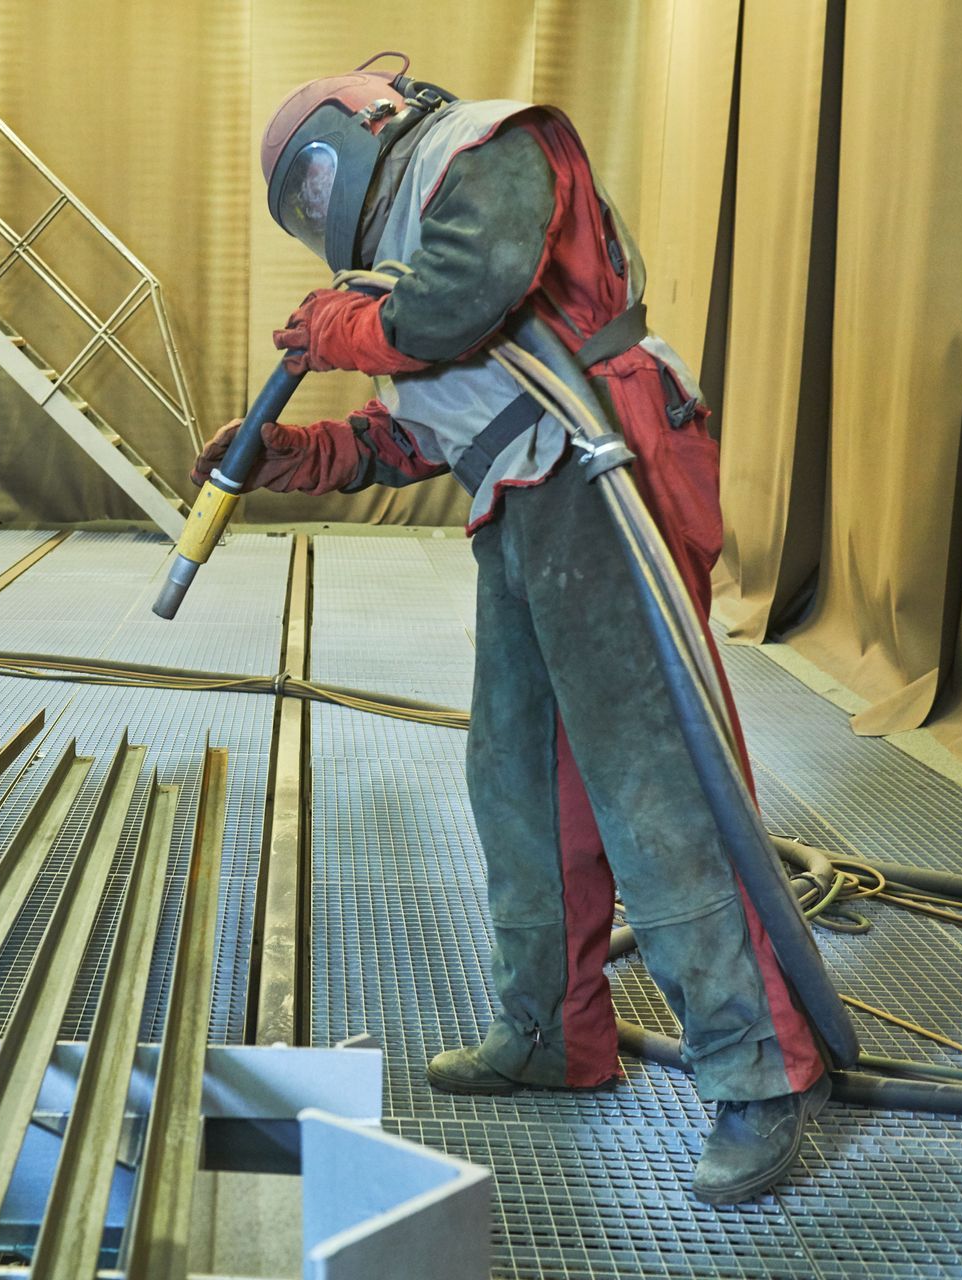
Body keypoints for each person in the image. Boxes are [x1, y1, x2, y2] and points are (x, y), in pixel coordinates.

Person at [196, 54, 828, 1205]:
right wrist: (301, 451)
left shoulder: (484, 150)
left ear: (367, 122)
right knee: (518, 782)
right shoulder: (394, 272)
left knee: (651, 788)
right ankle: (551, 1032)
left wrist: (344, 323)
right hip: (524, 502)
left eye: (310, 185)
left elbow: (455, 302)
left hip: (604, 474)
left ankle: (756, 1073)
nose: (312, 210)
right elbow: (424, 433)